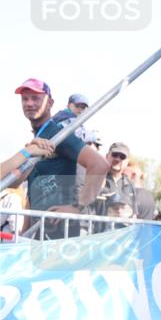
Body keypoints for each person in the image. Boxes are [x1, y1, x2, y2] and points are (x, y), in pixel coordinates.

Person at [7, 79, 109, 226]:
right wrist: (25, 231)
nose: (29, 103)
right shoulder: (38, 138)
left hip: (60, 236)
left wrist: (77, 207)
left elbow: (100, 164)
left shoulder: (57, 135)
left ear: (50, 103)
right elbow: (29, 186)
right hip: (37, 234)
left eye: (35, 98)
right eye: (25, 98)